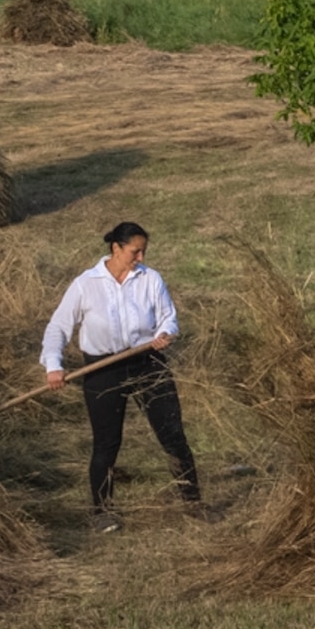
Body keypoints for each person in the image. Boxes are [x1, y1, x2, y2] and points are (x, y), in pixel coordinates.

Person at [39, 220, 199, 532]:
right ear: (116, 248)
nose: (140, 257)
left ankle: (193, 501)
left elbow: (168, 317)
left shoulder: (150, 279)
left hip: (147, 362)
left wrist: (165, 332)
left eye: (143, 252)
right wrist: (53, 365)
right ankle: (102, 511)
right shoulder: (86, 284)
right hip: (102, 369)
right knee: (107, 443)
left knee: (172, 434)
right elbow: (58, 327)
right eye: (134, 251)